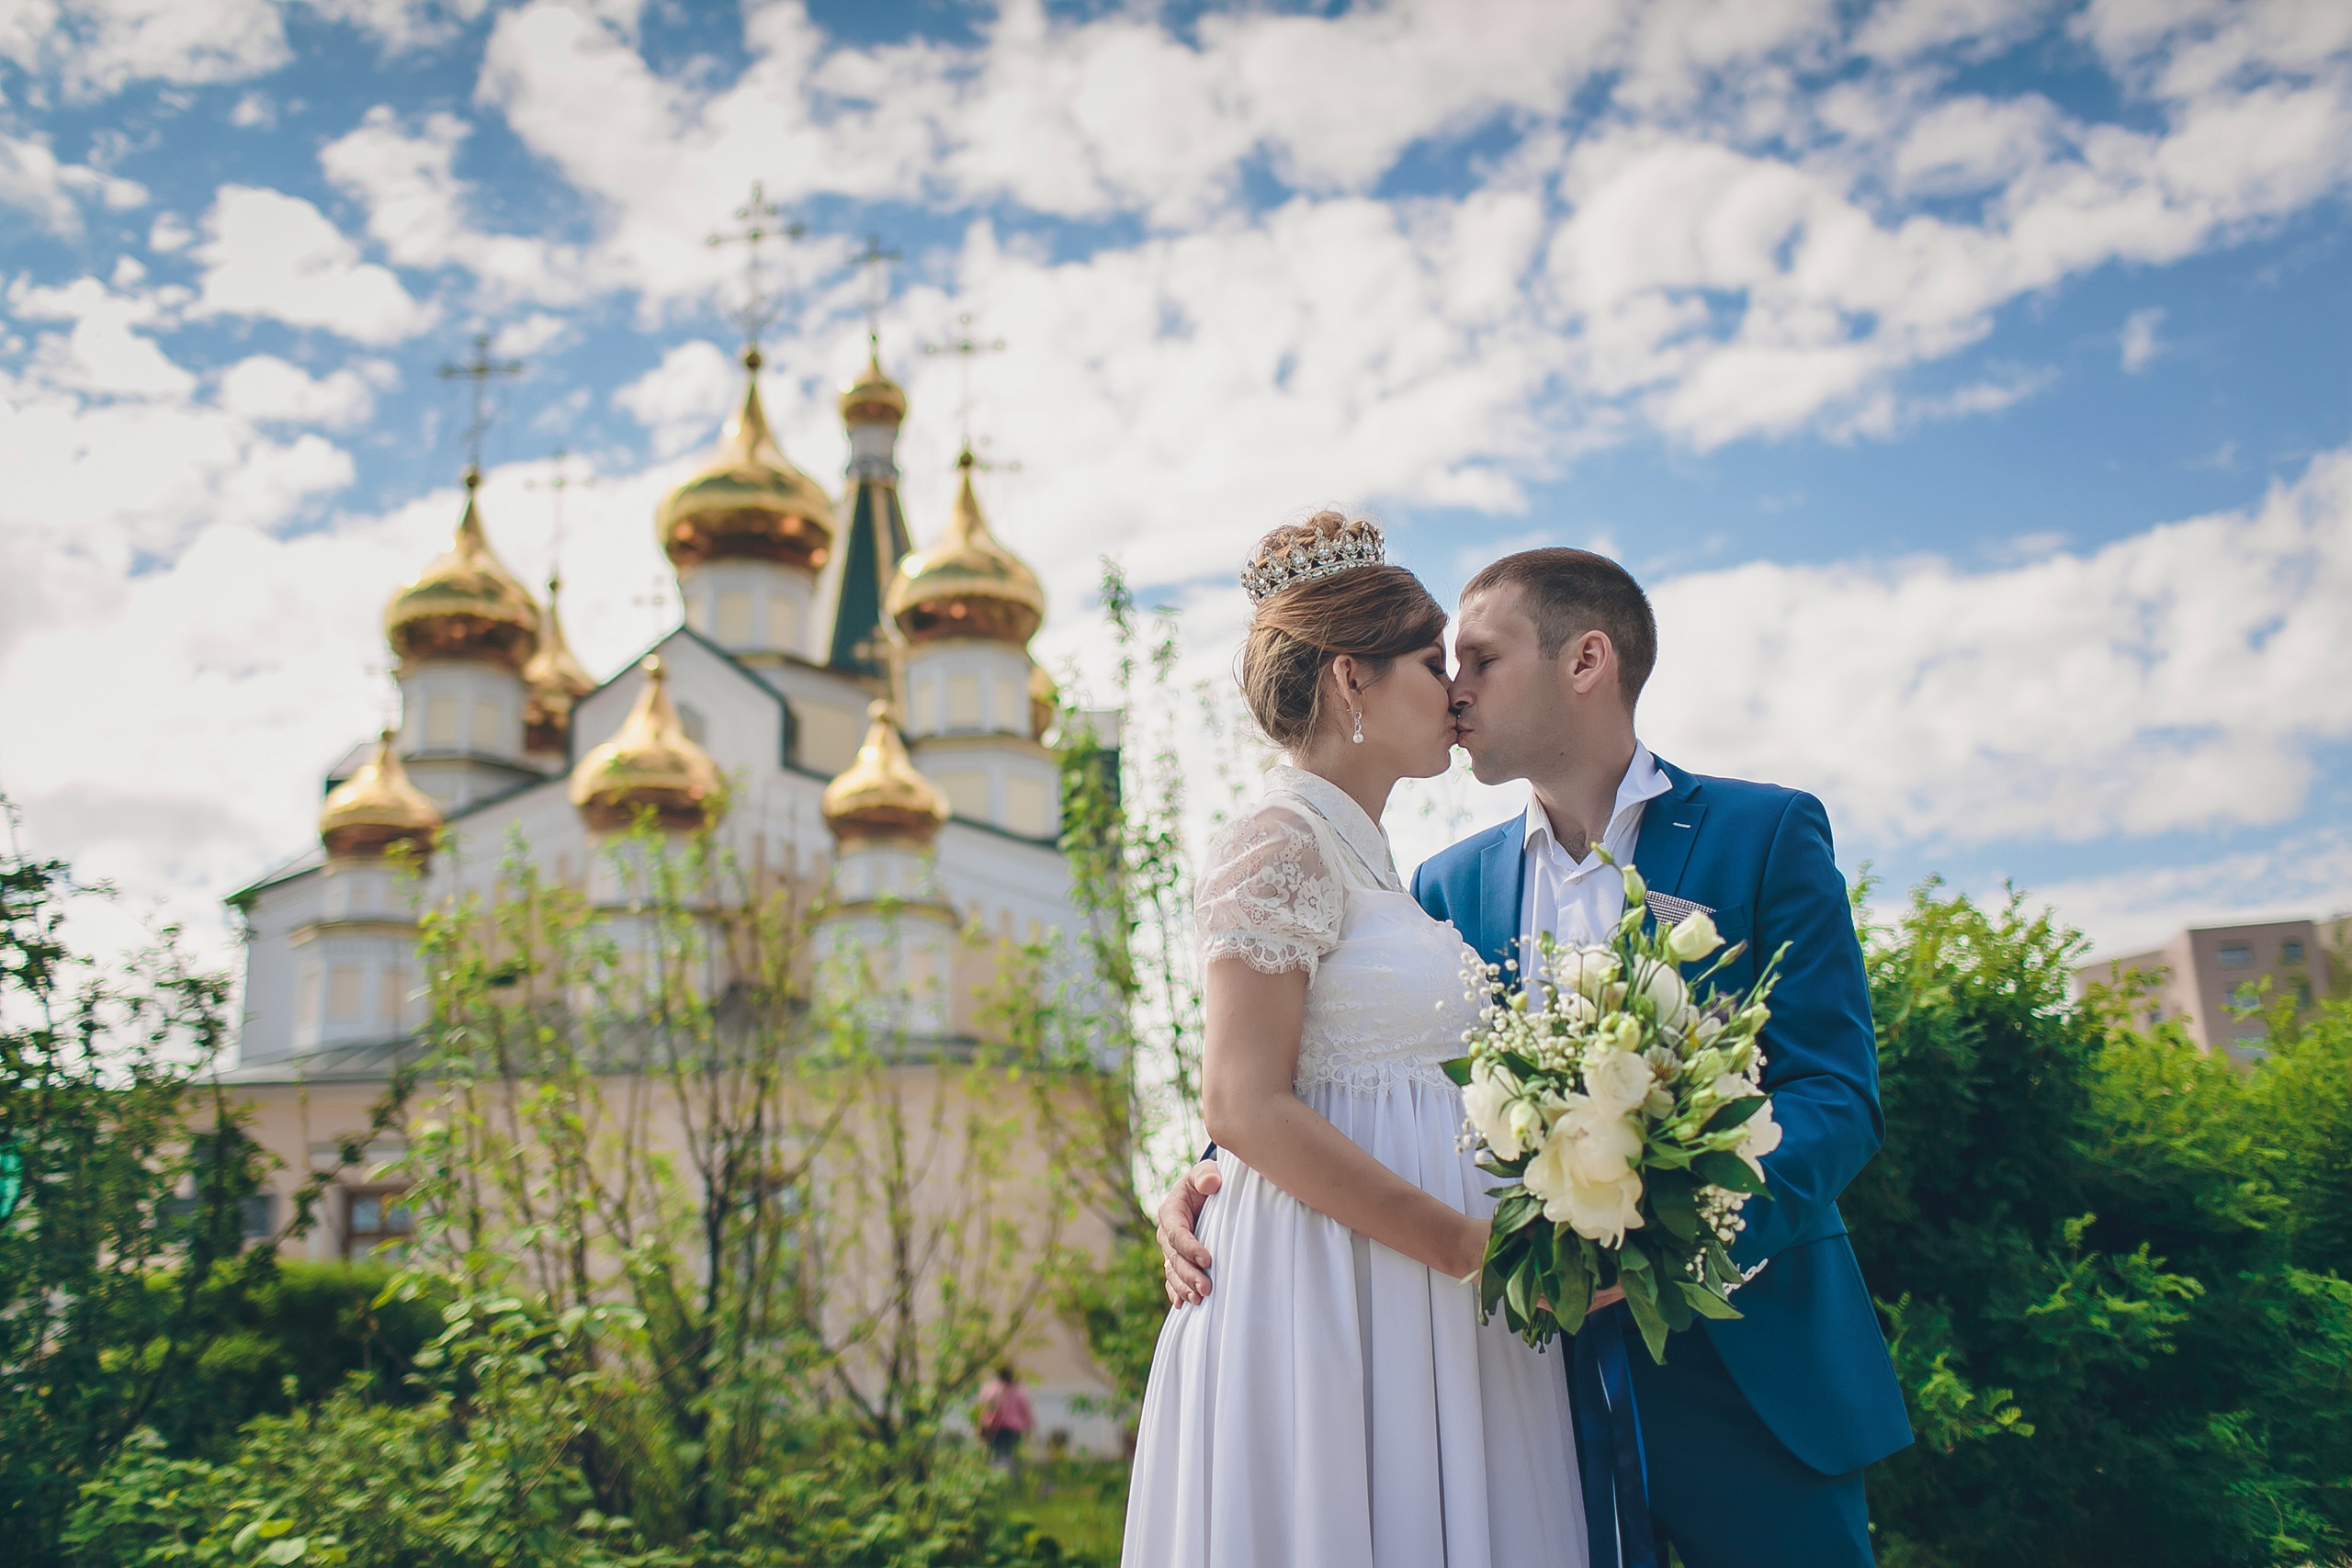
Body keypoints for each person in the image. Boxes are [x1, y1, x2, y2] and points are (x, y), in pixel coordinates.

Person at [1155, 547, 1915, 1568]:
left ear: (1585, 659)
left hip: (1752, 1365)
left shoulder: (1763, 833)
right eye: (1439, 664)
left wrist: (1671, 1236)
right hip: (1522, 1378)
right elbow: (1333, 1049)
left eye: (1477, 658)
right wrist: (1208, 1171)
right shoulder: (1443, 889)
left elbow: (1834, 1093)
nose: (1455, 688)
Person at [1122, 513, 1588, 1568]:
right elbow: (1241, 1104)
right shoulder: (1275, 839)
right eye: (1433, 664)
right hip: (1328, 1298)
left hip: (1412, 1301)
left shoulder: (1377, 866)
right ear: (1351, 681)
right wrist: (1463, 1245)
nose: (1457, 692)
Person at [977, 1364, 1035, 1473]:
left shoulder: (991, 1389)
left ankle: (994, 1475)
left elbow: (984, 1408)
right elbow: (1025, 1412)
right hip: (1013, 1429)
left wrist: (981, 1425)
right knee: (1011, 1454)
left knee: (994, 1454)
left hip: (994, 1428)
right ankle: (1009, 1475)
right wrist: (1029, 1428)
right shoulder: (1019, 1391)